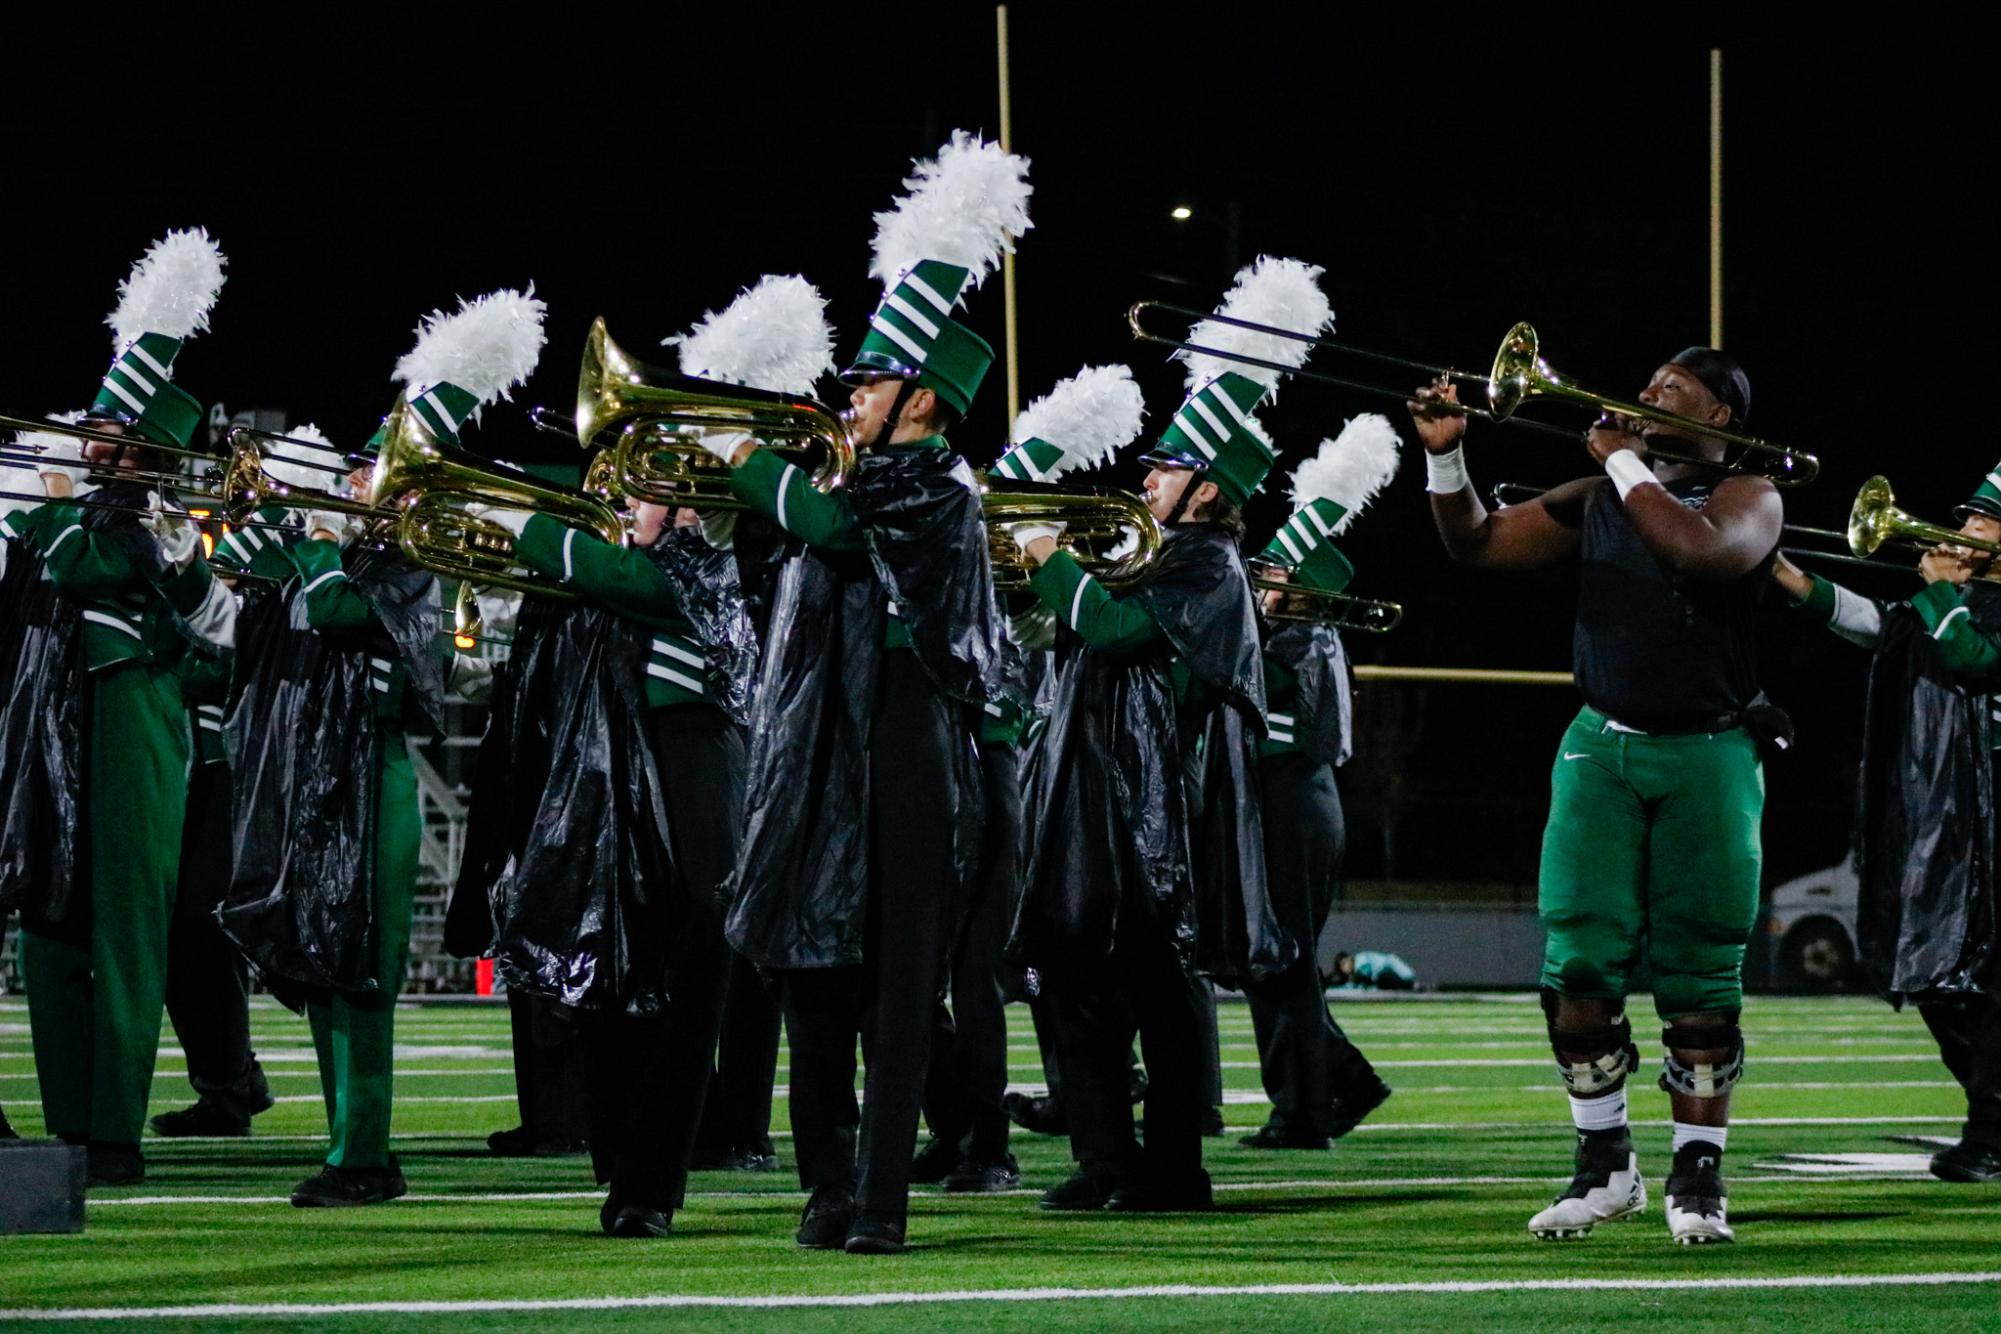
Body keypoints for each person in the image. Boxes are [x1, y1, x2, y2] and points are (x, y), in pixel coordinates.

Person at [715, 131, 1024, 1255]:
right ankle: (825, 1181)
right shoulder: (842, 469)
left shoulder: (939, 485)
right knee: (811, 967)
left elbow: (843, 533)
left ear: (929, 403)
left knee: (899, 979)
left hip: (907, 731)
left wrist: (750, 457)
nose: (851, 396)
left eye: (875, 383)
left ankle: (883, 1195)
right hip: (820, 739)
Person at [470, 273, 824, 1237]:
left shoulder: (715, 566)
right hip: (602, 791)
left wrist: (534, 528)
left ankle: (651, 1183)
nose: (627, 494)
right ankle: (620, 1157)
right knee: (603, 980)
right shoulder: (611, 567)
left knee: (685, 980)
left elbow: (637, 584)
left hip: (694, 773)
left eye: (648, 483)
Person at [1414, 346, 1781, 1244]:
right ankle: (1603, 1165)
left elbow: (1696, 553)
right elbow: (1478, 542)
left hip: (1708, 752)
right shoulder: (1601, 496)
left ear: (1719, 416)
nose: (1645, 392)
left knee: (1699, 974)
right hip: (1601, 748)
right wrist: (1444, 454)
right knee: (1576, 967)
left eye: (1671, 388)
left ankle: (1697, 1176)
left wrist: (1619, 459)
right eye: (1646, 380)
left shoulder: (1753, 496)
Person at [1007, 257, 1331, 1212]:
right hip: (1087, 796)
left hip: (1159, 810)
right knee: (1075, 979)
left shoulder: (1211, 567)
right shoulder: (1145, 552)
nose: (1145, 475)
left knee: (1154, 989)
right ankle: (1103, 1159)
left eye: (1167, 466)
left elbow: (1110, 631)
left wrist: (1044, 554)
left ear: (1207, 490)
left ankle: (1175, 1167)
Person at [219, 289, 535, 1206]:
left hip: (369, 777)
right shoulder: (353, 549)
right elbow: (270, 608)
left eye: (368, 474)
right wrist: (275, 525)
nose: (351, 483)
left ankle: (366, 1155)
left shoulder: (410, 560)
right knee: (321, 965)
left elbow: (337, 611)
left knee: (357, 970)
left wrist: (316, 546)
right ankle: (343, 1146)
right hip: (315, 775)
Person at [0, 231, 234, 1186]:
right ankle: (65, 1124)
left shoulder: (158, 525)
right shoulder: (61, 503)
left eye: (111, 432)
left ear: (148, 448)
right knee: (48, 915)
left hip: (133, 712)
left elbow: (92, 561)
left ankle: (111, 1131)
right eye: (96, 429)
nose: (91, 441)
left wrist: (49, 505)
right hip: (46, 714)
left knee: (126, 922)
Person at [913, 366, 1145, 1194]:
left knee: (976, 969)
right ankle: (954, 1118)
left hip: (986, 754)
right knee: (889, 965)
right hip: (919, 750)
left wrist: (1031, 543)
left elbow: (1034, 635)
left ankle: (984, 1143)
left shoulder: (1004, 541)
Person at [1772, 468, 2001, 1183]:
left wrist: (1938, 592)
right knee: (1937, 977)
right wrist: (1779, 571)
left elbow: (1974, 663)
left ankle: (1990, 1133)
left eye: (1979, 521)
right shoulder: (1946, 604)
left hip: (1992, 834)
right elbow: (1875, 625)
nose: (1961, 530)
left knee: (1989, 983)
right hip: (1950, 832)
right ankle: (1989, 1117)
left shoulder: (1957, 608)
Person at [150, 426, 345, 1140]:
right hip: (204, 755)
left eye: (265, 482)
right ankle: (229, 1083)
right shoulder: (254, 540)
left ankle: (247, 1086)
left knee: (206, 919)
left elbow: (218, 648)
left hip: (249, 759)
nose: (247, 491)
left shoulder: (287, 547)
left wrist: (192, 573)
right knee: (186, 926)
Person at [1238, 416, 1400, 1150]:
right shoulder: (1294, 635)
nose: (1260, 579)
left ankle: (1302, 1110)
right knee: (1272, 958)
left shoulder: (1302, 638)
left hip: (1291, 799)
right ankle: (1340, 1081)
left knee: (1281, 958)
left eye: (1273, 574)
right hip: (1288, 800)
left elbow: (1278, 722)